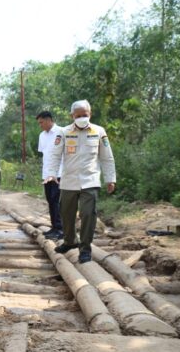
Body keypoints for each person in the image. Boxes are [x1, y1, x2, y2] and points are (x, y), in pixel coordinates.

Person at [44, 100, 116, 263]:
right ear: (72, 116)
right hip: (69, 181)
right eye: (79, 116)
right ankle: (70, 242)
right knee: (66, 214)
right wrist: (51, 173)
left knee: (87, 214)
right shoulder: (63, 132)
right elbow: (55, 155)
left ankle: (85, 248)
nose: (82, 118)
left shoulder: (99, 131)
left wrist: (110, 179)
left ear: (90, 114)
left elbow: (106, 157)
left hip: (90, 181)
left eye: (85, 115)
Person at [36, 111, 64, 240]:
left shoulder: (61, 132)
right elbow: (44, 154)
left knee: (57, 200)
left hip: (59, 173)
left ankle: (60, 228)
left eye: (41, 122)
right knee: (50, 200)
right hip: (47, 173)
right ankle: (54, 226)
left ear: (48, 120)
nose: (40, 125)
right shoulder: (42, 135)